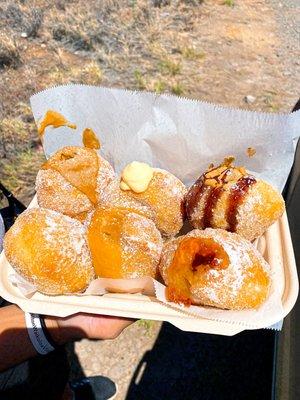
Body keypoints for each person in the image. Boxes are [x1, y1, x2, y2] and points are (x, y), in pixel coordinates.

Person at [0, 213, 133, 399]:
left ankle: (67, 393)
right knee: (29, 384)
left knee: (52, 363)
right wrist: (53, 323)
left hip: (8, 270)